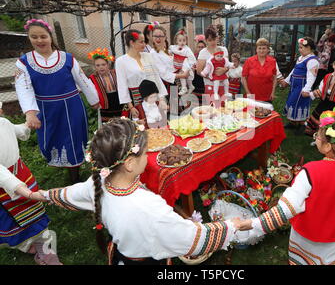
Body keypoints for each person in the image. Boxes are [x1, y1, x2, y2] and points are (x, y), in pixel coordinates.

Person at [40, 118, 243, 265]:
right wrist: (233, 225)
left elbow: (69, 194)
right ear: (129, 163)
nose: (148, 157)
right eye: (146, 153)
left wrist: (38, 194)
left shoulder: (99, 182)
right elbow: (193, 239)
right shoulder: (148, 208)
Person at [236, 108, 335, 265]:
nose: (316, 139)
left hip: (308, 238)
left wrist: (252, 224)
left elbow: (285, 210)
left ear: (328, 147)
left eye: (317, 137)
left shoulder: (311, 171)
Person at [15, 19, 99, 183]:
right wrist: (30, 113)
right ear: (29, 38)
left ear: (50, 37)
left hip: (71, 107)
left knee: (74, 139)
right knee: (52, 139)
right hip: (46, 109)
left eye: (43, 36)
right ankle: (64, 167)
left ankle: (75, 176)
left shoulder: (67, 58)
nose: (39, 40)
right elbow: (23, 88)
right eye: (34, 37)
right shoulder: (24, 62)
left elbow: (82, 79)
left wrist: (94, 99)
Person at [0, 105, 61, 265]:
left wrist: (28, 124)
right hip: (4, 185)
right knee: (14, 216)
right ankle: (27, 243)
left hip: (21, 174)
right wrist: (24, 192)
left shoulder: (4, 123)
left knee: (32, 209)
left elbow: (18, 131)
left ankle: (43, 246)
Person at [283, 37, 319, 133]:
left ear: (309, 48)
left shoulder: (312, 60)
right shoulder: (301, 58)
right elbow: (294, 71)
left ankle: (302, 125)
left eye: (301, 48)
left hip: (302, 86)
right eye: (299, 47)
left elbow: (312, 76)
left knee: (299, 104)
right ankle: (293, 123)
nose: (299, 50)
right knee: (291, 102)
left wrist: (306, 89)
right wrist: (287, 81)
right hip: (294, 85)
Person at [149, 25, 190, 98]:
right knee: (174, 107)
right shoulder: (153, 53)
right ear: (152, 37)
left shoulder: (168, 51)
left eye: (160, 36)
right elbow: (163, 74)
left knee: (181, 106)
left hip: (178, 82)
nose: (158, 38)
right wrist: (182, 75)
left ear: (165, 37)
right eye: (155, 36)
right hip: (168, 84)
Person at [88, 48, 124, 122]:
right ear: (95, 67)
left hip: (118, 101)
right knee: (108, 125)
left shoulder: (115, 73)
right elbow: (90, 91)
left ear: (108, 65)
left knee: (122, 121)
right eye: (97, 65)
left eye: (103, 64)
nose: (101, 67)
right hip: (105, 104)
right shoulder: (93, 78)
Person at [196, 25, 230, 102]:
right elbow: (199, 71)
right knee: (211, 110)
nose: (213, 42)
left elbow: (227, 65)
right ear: (206, 40)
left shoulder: (223, 49)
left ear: (217, 38)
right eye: (210, 40)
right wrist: (213, 77)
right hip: (210, 85)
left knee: (223, 109)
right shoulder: (203, 52)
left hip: (223, 85)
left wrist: (224, 70)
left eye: (214, 39)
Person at [241, 38, 278, 102]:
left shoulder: (272, 61)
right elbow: (243, 77)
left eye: (264, 48)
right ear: (256, 49)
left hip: (267, 95)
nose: (261, 51)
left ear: (267, 50)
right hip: (251, 96)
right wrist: (248, 92)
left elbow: (274, 77)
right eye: (259, 48)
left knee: (266, 112)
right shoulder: (249, 61)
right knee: (251, 112)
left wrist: (273, 92)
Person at [169, 29, 197, 96]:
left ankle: (184, 87)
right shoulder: (174, 47)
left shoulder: (187, 49)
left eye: (184, 40)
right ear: (176, 41)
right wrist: (169, 52)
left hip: (184, 63)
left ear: (186, 41)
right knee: (183, 75)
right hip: (177, 62)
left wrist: (191, 66)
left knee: (183, 73)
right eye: (180, 40)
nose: (182, 42)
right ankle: (190, 86)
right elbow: (170, 50)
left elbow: (191, 57)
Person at [192, 36, 207, 103]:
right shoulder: (192, 57)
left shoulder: (207, 58)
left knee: (204, 105)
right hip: (195, 83)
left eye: (202, 47)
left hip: (204, 83)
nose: (200, 48)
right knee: (195, 104)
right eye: (199, 47)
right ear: (196, 48)